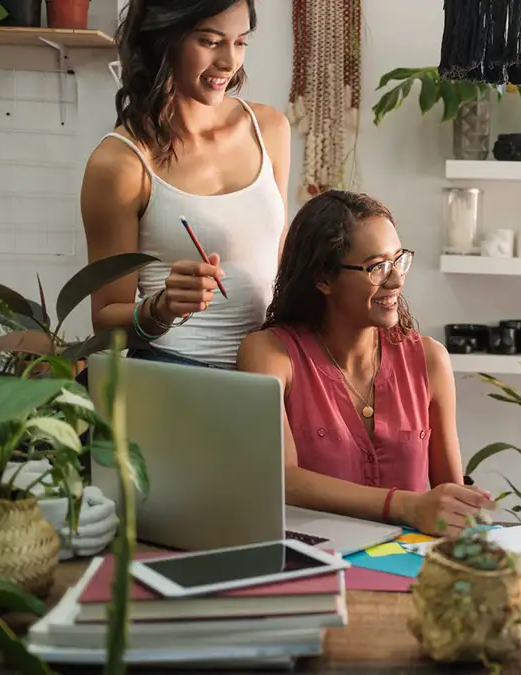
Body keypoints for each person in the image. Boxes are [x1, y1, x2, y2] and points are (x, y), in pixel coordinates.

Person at [237, 190, 493, 536]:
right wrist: (406, 505)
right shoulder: (269, 354)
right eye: (377, 267)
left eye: (399, 260)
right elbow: (280, 479)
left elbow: (451, 497)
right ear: (323, 278)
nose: (397, 280)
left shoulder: (430, 360)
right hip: (314, 558)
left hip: (410, 564)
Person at [80, 0, 289, 370]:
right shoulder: (121, 165)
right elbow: (105, 325)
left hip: (269, 369)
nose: (229, 61)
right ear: (165, 39)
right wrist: (161, 308)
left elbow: (280, 262)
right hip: (173, 370)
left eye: (240, 42)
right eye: (210, 42)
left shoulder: (269, 129)